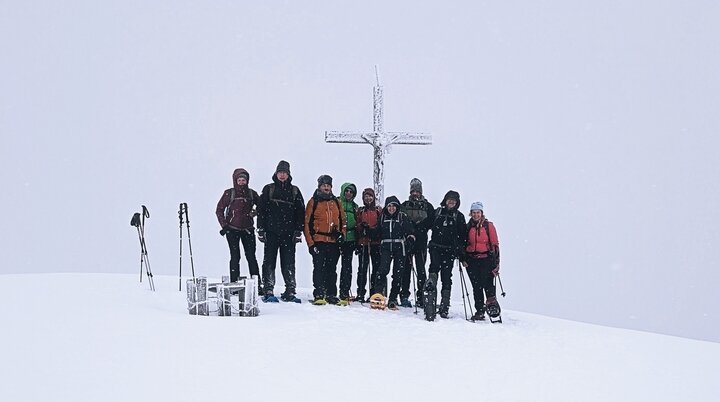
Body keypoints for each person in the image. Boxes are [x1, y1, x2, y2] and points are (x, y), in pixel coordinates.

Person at [257, 161, 305, 303]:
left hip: (289, 234)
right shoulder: (268, 189)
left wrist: (298, 230)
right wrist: (261, 229)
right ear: (276, 173)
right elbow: (261, 210)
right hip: (271, 233)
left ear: (289, 174)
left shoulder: (295, 190)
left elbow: (300, 212)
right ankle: (268, 289)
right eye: (280, 172)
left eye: (285, 172)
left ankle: (290, 291)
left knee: (289, 263)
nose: (282, 175)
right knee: (269, 262)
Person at [216, 168, 261, 291]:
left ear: (247, 181)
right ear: (235, 180)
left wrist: (255, 212)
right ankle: (234, 284)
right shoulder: (229, 193)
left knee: (251, 256)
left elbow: (263, 207)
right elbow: (219, 209)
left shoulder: (252, 194)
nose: (241, 182)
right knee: (235, 256)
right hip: (232, 230)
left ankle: (257, 285)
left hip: (248, 230)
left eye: (244, 180)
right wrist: (225, 226)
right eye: (239, 180)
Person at [305, 175, 346, 305]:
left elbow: (343, 221)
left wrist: (342, 234)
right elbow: (306, 223)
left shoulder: (336, 202)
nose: (326, 187)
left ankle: (331, 294)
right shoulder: (313, 201)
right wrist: (311, 244)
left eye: (328, 185)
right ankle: (319, 294)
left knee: (331, 268)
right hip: (318, 240)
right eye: (324, 185)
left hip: (333, 241)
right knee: (318, 268)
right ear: (319, 186)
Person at [428, 191, 467, 318]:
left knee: (446, 277)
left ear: (457, 202)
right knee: (434, 270)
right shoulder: (437, 212)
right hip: (435, 248)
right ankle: (431, 297)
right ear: (445, 200)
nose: (451, 202)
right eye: (450, 199)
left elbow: (463, 237)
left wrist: (460, 253)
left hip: (449, 251)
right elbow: (426, 225)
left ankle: (444, 305)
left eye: (454, 200)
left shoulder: (459, 216)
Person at [461, 202, 500, 321]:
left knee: (488, 284)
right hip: (471, 260)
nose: (476, 215)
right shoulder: (468, 227)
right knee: (476, 286)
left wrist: (497, 263)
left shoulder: (488, 226)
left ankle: (492, 307)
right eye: (473, 212)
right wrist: (463, 258)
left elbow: (495, 244)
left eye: (478, 212)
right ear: (471, 213)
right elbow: (463, 243)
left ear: (481, 213)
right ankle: (479, 310)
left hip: (487, 259)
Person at [374, 196, 415, 309]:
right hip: (386, 246)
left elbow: (410, 231)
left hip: (399, 247)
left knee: (398, 274)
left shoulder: (402, 217)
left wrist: (411, 239)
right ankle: (378, 295)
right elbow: (377, 231)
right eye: (389, 206)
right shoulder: (382, 218)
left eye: (393, 206)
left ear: (397, 207)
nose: (391, 208)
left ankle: (393, 298)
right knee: (382, 270)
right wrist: (369, 232)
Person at [400, 178, 435, 308]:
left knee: (421, 271)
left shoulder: (427, 206)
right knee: (406, 271)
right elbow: (401, 220)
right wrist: (410, 230)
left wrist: (421, 227)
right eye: (413, 191)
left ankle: (421, 297)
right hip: (408, 242)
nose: (415, 193)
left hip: (421, 243)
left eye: (417, 191)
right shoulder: (405, 205)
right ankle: (404, 296)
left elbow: (432, 222)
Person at [355, 188, 382, 302]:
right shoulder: (361, 211)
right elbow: (356, 225)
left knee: (376, 269)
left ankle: (374, 292)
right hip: (363, 243)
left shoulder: (378, 211)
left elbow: (381, 226)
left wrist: (373, 231)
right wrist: (362, 227)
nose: (368, 198)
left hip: (375, 243)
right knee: (362, 269)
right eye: (366, 196)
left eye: (370, 196)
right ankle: (360, 292)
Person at [338, 182, 359, 303]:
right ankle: (328, 290)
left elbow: (357, 223)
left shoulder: (355, 207)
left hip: (350, 238)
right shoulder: (336, 202)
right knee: (331, 265)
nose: (349, 193)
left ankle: (344, 292)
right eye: (347, 191)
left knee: (347, 267)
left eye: (351, 192)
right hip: (337, 237)